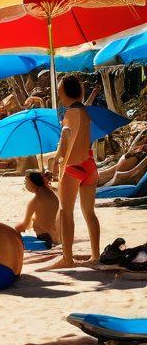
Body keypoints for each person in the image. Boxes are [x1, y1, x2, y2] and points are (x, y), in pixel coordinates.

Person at [44, 75, 101, 267]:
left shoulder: (69, 113)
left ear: (62, 93)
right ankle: (95, 255)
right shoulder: (86, 112)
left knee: (65, 211)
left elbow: (66, 135)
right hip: (90, 164)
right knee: (89, 213)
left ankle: (67, 258)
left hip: (74, 165)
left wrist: (56, 159)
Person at [14, 170, 60, 246]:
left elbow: (24, 226)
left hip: (45, 240)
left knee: (15, 237)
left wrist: (14, 229)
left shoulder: (35, 201)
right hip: (55, 238)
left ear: (32, 183)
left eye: (26, 182)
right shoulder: (52, 194)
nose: (25, 185)